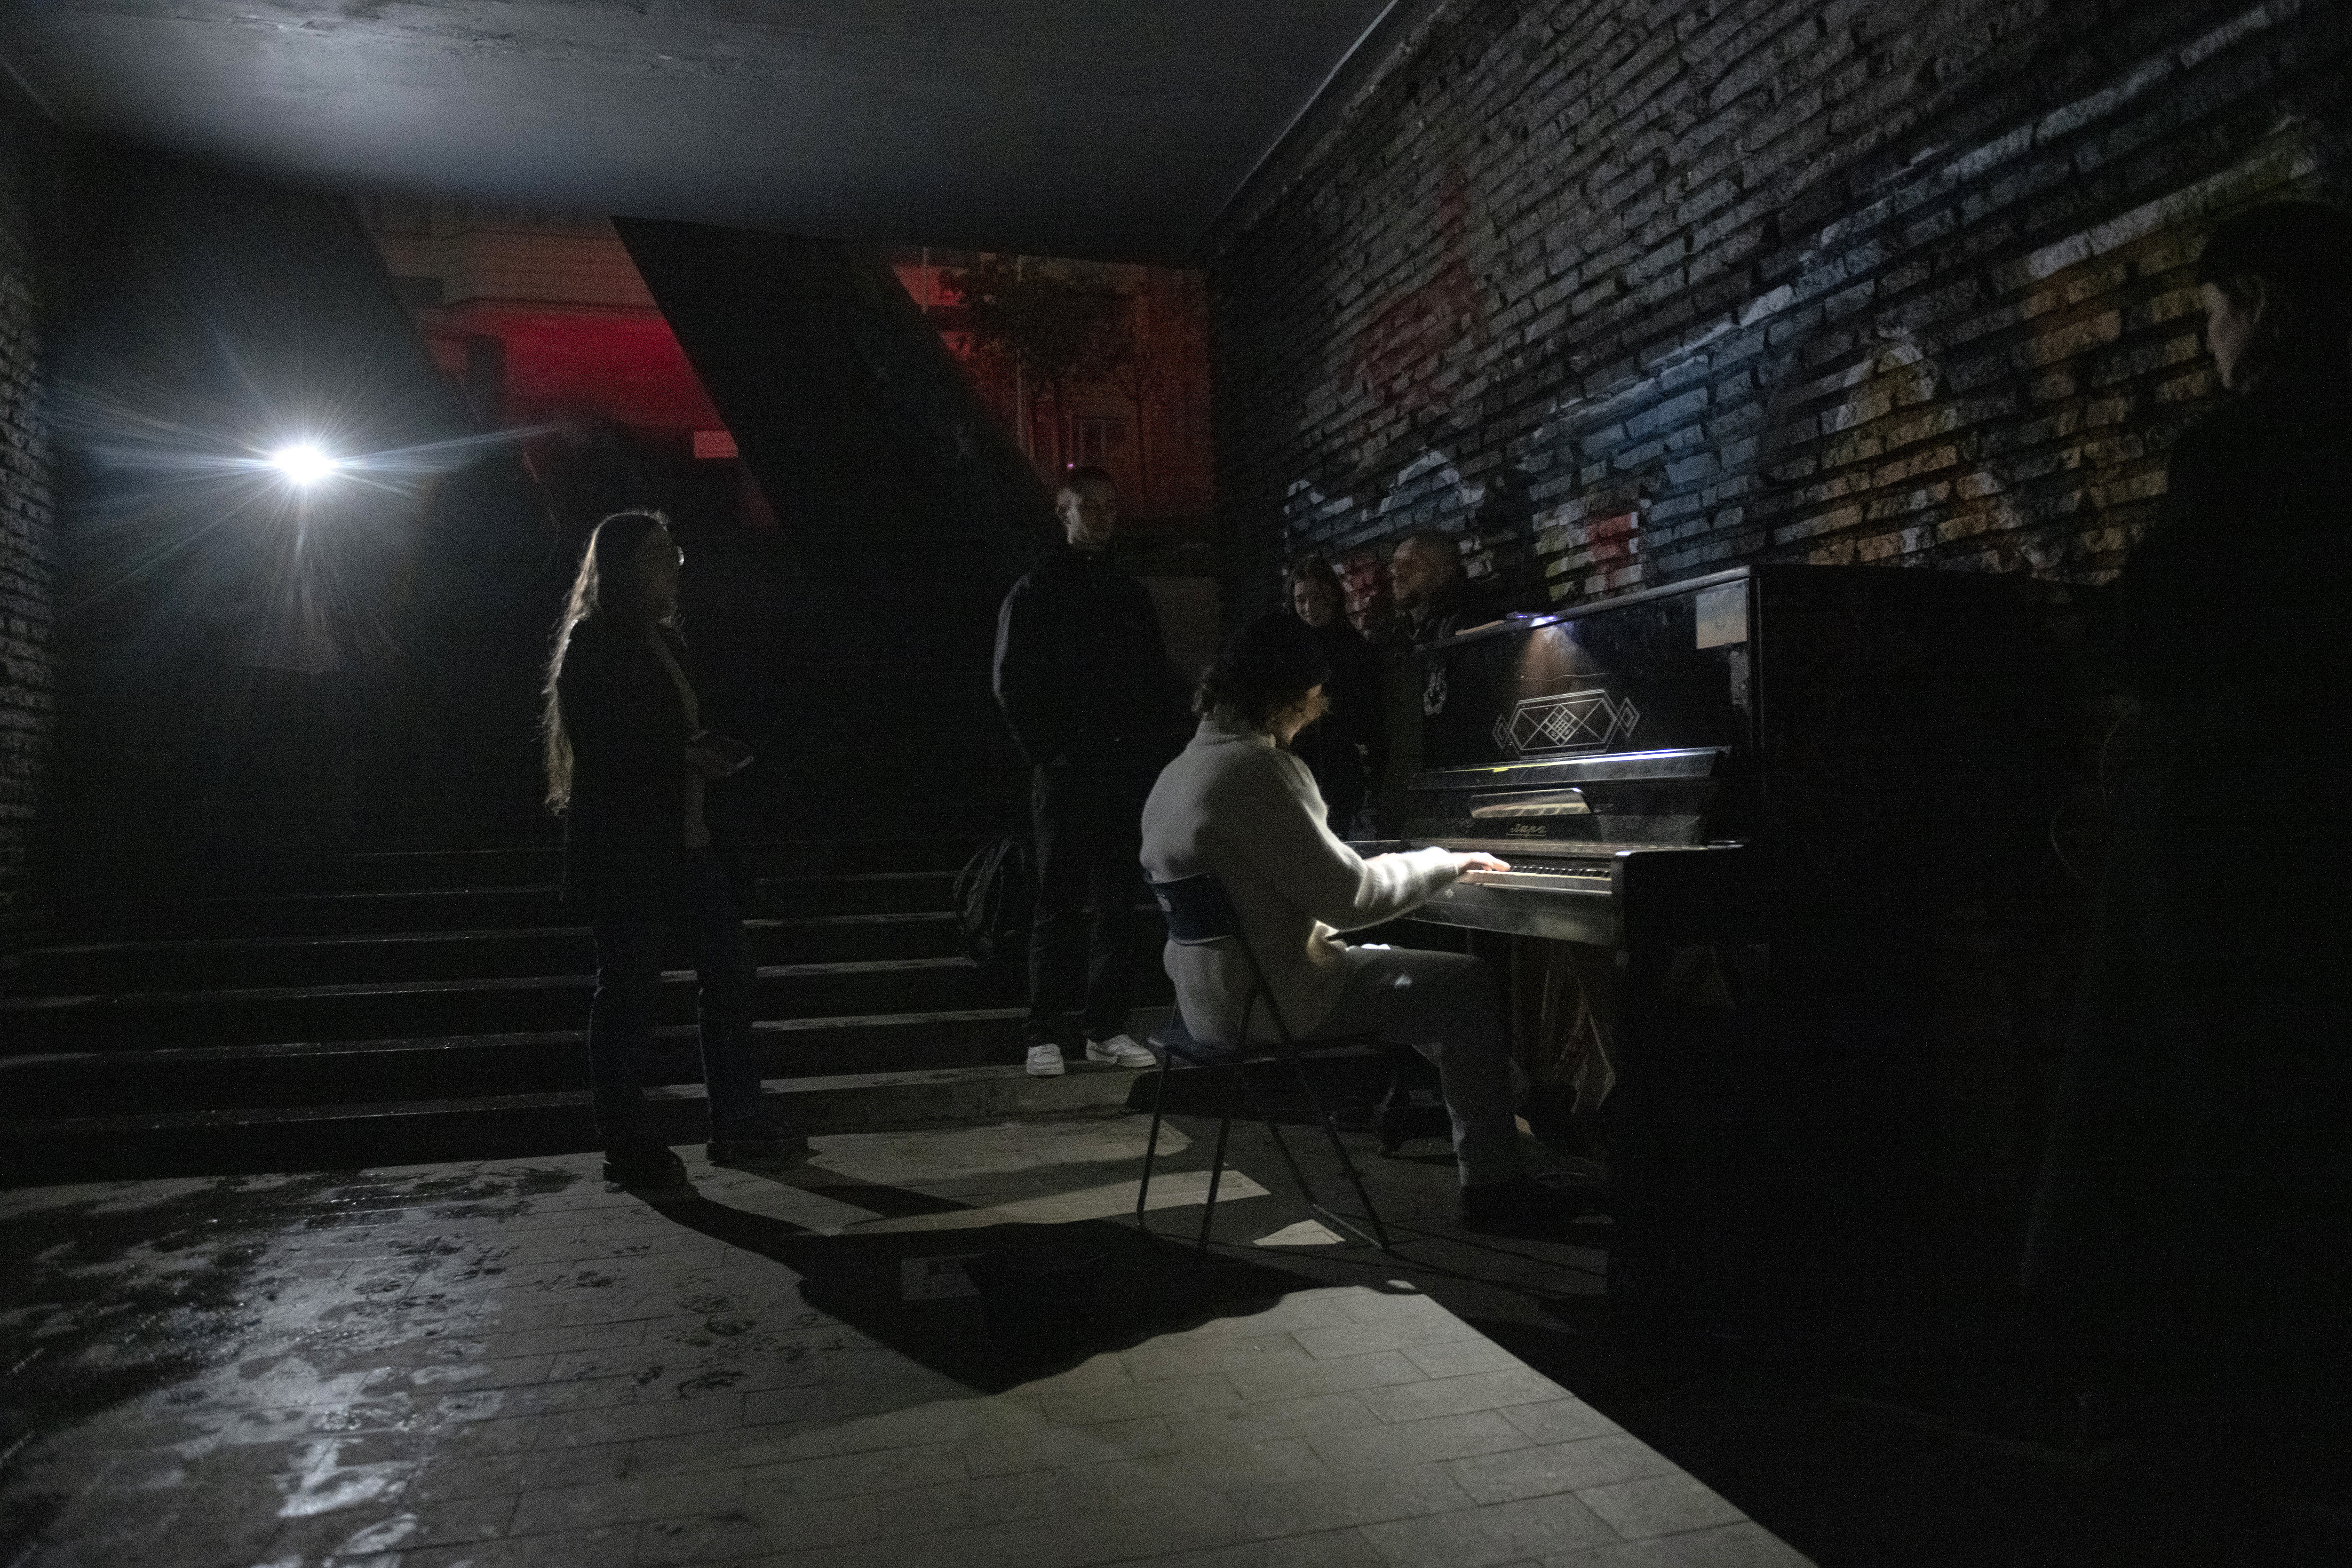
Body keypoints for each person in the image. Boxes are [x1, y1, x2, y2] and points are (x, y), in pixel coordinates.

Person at [2021, 202, 2352, 1422]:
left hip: (2217, 809)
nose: (2208, 337)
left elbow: (2159, 630)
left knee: (2177, 1081)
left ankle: (2179, 1375)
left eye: (2214, 312)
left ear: (2260, 302)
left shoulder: (2240, 447)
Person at [1141, 613, 1581, 1230]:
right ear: (1286, 693)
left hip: (1207, 1006)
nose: (1318, 713)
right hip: (1276, 1002)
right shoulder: (1258, 770)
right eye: (1317, 696)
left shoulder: (1178, 775)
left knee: (1418, 984)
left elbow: (1297, 878)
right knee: (1465, 982)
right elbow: (1348, 899)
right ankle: (1496, 1187)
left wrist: (1386, 864)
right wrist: (1445, 862)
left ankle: (1525, 1097)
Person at [543, 510, 802, 1190]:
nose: (675, 567)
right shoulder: (593, 643)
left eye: (674, 553)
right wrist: (684, 755)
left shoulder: (664, 641)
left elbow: (655, 730)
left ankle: (738, 1120)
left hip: (687, 843)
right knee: (629, 995)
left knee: (731, 974)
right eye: (662, 555)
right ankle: (628, 1145)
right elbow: (604, 750)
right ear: (626, 568)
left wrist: (703, 750)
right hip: (630, 851)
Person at [993, 467, 1186, 1077]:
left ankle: (1104, 1026)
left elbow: (1155, 682)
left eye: (1109, 506)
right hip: (1070, 772)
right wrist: (1051, 754)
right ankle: (1044, 1031)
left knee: (1116, 903)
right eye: (1090, 507)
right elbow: (1012, 683)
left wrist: (1153, 754)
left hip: (1121, 771)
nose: (1101, 517)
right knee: (1059, 899)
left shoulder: (1127, 594)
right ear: (1064, 513)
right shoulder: (1036, 590)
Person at [1284, 556, 1384, 836]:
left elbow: (1364, 713)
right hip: (1296, 756)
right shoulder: (1288, 650)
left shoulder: (1353, 649)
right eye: (1300, 600)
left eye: (1316, 598)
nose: (1308, 608)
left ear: (1332, 598)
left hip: (1338, 759)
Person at [1388, 530, 1494, 644]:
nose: (1395, 572)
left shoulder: (1468, 618)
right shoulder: (1405, 624)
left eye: (1410, 564)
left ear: (1445, 573)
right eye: (1395, 564)